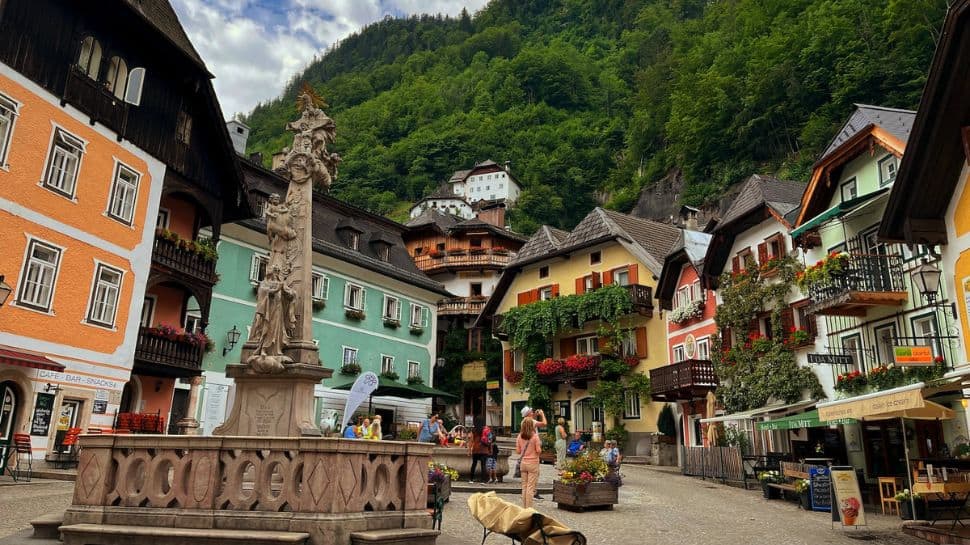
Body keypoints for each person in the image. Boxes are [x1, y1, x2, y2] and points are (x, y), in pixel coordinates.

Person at [516, 417, 542, 509]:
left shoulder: (519, 436)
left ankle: (524, 507)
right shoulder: (535, 436)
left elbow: (518, 451)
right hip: (533, 462)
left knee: (524, 486)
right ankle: (529, 508)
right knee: (530, 487)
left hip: (523, 463)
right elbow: (538, 451)